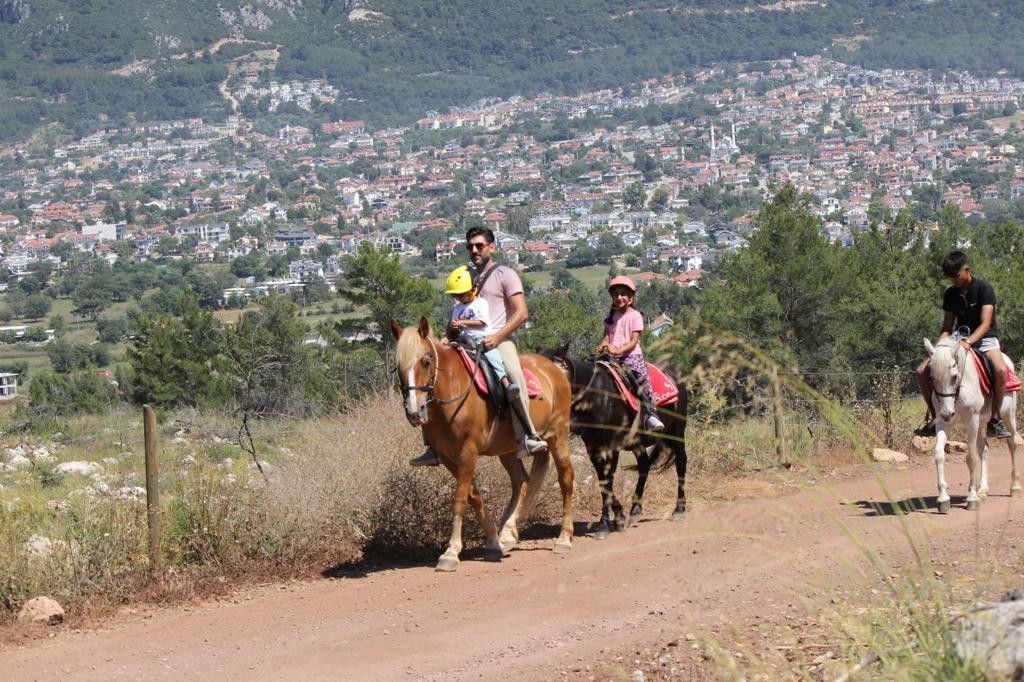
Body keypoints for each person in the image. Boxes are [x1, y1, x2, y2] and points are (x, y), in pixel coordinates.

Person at [409, 227, 548, 466]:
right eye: (470, 246)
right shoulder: (466, 277)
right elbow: (460, 313)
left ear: (492, 247)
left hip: (497, 340)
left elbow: (521, 313)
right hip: (464, 342)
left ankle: (528, 434)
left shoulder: (505, 274)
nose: (474, 250)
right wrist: (447, 335)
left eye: (479, 245)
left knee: (514, 375)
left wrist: (497, 336)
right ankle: (434, 446)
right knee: (434, 377)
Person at [915, 250, 1011, 438]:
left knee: (1000, 370)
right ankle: (935, 416)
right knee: (921, 371)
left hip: (985, 340)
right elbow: (947, 326)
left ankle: (995, 418)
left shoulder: (984, 289)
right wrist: (942, 344)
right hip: (958, 341)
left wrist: (969, 342)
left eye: (956, 276)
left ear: (967, 269)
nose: (954, 281)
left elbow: (985, 323)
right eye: (951, 278)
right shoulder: (950, 294)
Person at [595, 275, 666, 433]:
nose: (619, 297)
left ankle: (650, 414)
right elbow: (606, 337)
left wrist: (618, 350)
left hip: (631, 357)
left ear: (631, 298)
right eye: (615, 295)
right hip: (612, 357)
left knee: (639, 381)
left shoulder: (635, 316)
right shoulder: (611, 318)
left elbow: (633, 341)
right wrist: (603, 346)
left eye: (622, 294)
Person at [443, 264, 518, 400]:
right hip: (463, 340)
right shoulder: (457, 308)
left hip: (481, 339)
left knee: (493, 358)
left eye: (461, 294)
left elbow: (482, 322)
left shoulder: (480, 303)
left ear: (473, 289)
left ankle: (506, 384)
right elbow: (455, 324)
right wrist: (454, 327)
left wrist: (462, 322)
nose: (458, 298)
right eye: (455, 295)